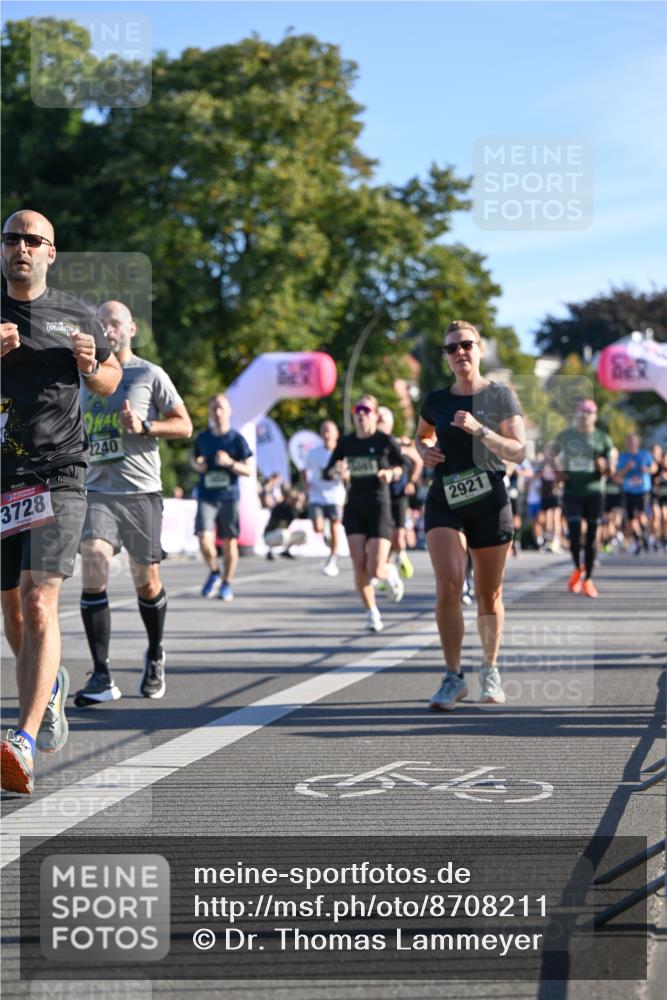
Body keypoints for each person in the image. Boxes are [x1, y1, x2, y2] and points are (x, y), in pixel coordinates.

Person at [0, 210, 121, 792]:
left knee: (40, 598)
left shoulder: (75, 313)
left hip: (58, 471)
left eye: (32, 240)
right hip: (4, 477)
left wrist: (91, 365)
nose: (21, 247)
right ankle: (48, 689)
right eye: (12, 239)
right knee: (13, 608)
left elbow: (110, 379)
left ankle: (19, 742)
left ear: (51, 252)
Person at [75, 300, 192, 707]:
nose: (107, 329)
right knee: (93, 561)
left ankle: (156, 652)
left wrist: (145, 426)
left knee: (147, 581)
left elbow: (184, 424)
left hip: (141, 492)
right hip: (99, 493)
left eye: (115, 323)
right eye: (101, 323)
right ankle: (102, 674)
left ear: (131, 330)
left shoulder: (150, 374)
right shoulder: (83, 378)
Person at [416, 320, 526, 710]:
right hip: (445, 497)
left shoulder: (499, 396)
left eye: (466, 345)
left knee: (488, 593)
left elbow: (518, 451)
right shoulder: (436, 400)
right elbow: (423, 434)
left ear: (479, 349)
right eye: (451, 348)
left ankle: (490, 668)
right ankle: (453, 676)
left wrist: (480, 430)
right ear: (446, 357)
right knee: (448, 582)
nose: (459, 352)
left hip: (489, 501)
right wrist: (423, 451)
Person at [325, 394, 405, 633]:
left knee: (375, 569)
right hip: (355, 506)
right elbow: (328, 470)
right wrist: (337, 470)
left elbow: (403, 466)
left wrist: (391, 474)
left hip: (380, 505)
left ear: (375, 414)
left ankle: (389, 573)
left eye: (366, 410)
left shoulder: (385, 441)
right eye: (357, 409)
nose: (361, 414)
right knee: (358, 565)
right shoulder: (347, 443)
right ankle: (372, 612)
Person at [192, 393, 252, 601]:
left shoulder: (236, 439)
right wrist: (197, 465)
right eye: (214, 408)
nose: (217, 412)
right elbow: (194, 461)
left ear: (229, 411)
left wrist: (230, 463)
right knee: (203, 538)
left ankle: (227, 583)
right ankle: (214, 571)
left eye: (221, 408)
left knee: (229, 543)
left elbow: (249, 470)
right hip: (206, 495)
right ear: (210, 412)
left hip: (229, 497)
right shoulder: (203, 438)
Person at [553, 399, 614, 598]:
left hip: (594, 491)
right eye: (582, 412)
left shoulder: (602, 438)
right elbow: (550, 452)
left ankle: (587, 579)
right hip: (572, 491)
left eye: (590, 412)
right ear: (577, 415)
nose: (586, 415)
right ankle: (577, 568)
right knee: (574, 530)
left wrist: (605, 466)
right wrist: (557, 471)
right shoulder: (566, 436)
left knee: (591, 537)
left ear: (595, 416)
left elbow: (611, 464)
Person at [376, 406, 424, 581]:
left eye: (382, 420)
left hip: (399, 493)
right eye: (378, 419)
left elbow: (417, 461)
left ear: (389, 424)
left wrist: (411, 482)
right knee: (383, 535)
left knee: (398, 535)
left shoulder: (398, 442)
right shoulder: (372, 443)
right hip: (381, 494)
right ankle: (385, 570)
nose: (379, 423)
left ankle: (401, 555)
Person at [302, 420, 346, 577]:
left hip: (335, 496)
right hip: (317, 496)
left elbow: (348, 475)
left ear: (336, 434)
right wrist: (305, 483)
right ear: (320, 434)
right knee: (317, 528)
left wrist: (342, 473)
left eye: (329, 430)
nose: (326, 433)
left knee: (335, 525)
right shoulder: (314, 453)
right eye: (324, 430)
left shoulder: (342, 453)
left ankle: (332, 558)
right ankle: (326, 535)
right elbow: (303, 469)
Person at [617, 433, 655, 555]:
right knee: (630, 520)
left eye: (633, 441)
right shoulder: (623, 457)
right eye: (629, 441)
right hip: (628, 490)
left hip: (642, 490)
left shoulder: (645, 455)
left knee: (640, 514)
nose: (631, 444)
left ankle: (644, 534)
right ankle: (640, 539)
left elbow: (654, 468)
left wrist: (647, 470)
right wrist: (627, 468)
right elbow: (618, 475)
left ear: (637, 443)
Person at [264, 487, 308, 559]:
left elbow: (304, 516)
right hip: (270, 534)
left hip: (283, 534)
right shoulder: (279, 506)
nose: (294, 499)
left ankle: (286, 551)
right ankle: (270, 550)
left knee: (302, 535)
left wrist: (303, 503)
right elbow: (286, 515)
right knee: (284, 533)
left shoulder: (293, 508)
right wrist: (295, 506)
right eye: (293, 497)